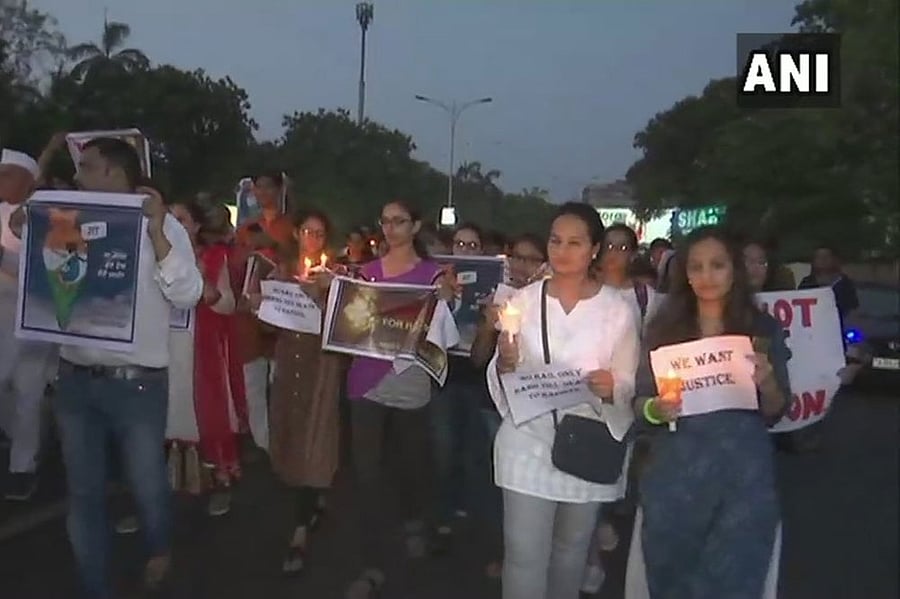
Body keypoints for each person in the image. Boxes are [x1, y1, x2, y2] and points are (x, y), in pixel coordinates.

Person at [10, 137, 203, 598]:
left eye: (88, 167)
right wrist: (26, 220)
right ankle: (96, 587)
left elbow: (188, 294)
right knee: (84, 495)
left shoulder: (159, 224)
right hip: (75, 382)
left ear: (114, 173)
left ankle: (159, 546)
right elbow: (24, 235)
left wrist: (157, 232)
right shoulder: (67, 217)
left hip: (137, 387)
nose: (78, 176)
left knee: (146, 484)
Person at [487, 202, 639, 599]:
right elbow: (505, 375)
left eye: (575, 242)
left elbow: (628, 377)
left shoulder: (617, 310)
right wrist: (505, 360)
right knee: (523, 554)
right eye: (555, 240)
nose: (562, 250)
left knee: (570, 552)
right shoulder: (522, 301)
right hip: (528, 438)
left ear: (594, 249)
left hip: (586, 440)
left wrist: (613, 386)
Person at [633, 226, 790, 599]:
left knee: (733, 583)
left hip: (742, 483)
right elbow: (639, 405)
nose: (706, 276)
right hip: (675, 482)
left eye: (717, 265)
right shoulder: (664, 330)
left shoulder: (761, 329)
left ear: (734, 270)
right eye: (696, 267)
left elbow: (778, 409)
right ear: (684, 274)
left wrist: (766, 383)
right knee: (672, 584)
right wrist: (657, 408)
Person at [344, 199, 455, 599]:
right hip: (366, 382)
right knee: (366, 473)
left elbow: (448, 329)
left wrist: (446, 297)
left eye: (399, 221)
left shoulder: (433, 275)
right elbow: (349, 324)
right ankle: (371, 563)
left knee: (412, 466)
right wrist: (330, 296)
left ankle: (413, 521)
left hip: (410, 382)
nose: (390, 229)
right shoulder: (364, 274)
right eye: (385, 221)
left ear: (416, 225)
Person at [264, 209, 346, 575]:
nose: (312, 238)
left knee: (316, 435)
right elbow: (268, 322)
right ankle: (308, 496)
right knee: (292, 433)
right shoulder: (280, 272)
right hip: (289, 365)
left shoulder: (335, 278)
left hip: (320, 366)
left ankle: (299, 530)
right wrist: (260, 306)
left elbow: (347, 323)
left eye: (319, 232)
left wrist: (325, 295)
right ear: (297, 234)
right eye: (307, 231)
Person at [581, 223, 660, 594]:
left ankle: (603, 525)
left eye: (623, 247)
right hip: (580, 399)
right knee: (584, 477)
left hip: (625, 400)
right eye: (609, 246)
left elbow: (657, 345)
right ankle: (590, 554)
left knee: (615, 477)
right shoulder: (581, 286)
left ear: (633, 252)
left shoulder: (645, 296)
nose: (615, 254)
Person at [165, 199, 242, 516]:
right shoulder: (154, 258)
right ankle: (172, 488)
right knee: (171, 413)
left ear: (196, 226)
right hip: (165, 348)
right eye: (169, 219)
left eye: (181, 219)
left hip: (202, 349)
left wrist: (199, 277)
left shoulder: (213, 257)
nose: (174, 225)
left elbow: (227, 305)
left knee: (207, 413)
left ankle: (221, 481)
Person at [0, 148, 58, 501]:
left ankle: (23, 468)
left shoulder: (45, 216)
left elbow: (48, 271)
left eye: (7, 174)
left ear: (27, 179)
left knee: (27, 392)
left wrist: (5, 260)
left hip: (34, 320)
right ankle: (29, 443)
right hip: (1, 319)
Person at [232, 171, 293, 454]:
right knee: (253, 384)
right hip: (250, 315)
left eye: (269, 187)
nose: (263, 193)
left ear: (280, 189)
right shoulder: (245, 229)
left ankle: (284, 441)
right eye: (258, 187)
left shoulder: (293, 226)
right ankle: (263, 445)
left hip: (282, 314)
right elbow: (235, 267)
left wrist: (275, 249)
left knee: (281, 383)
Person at [798, 244, 859, 326]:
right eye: (819, 257)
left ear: (835, 259)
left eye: (827, 256)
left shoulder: (845, 284)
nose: (823, 260)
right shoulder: (807, 282)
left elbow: (852, 308)